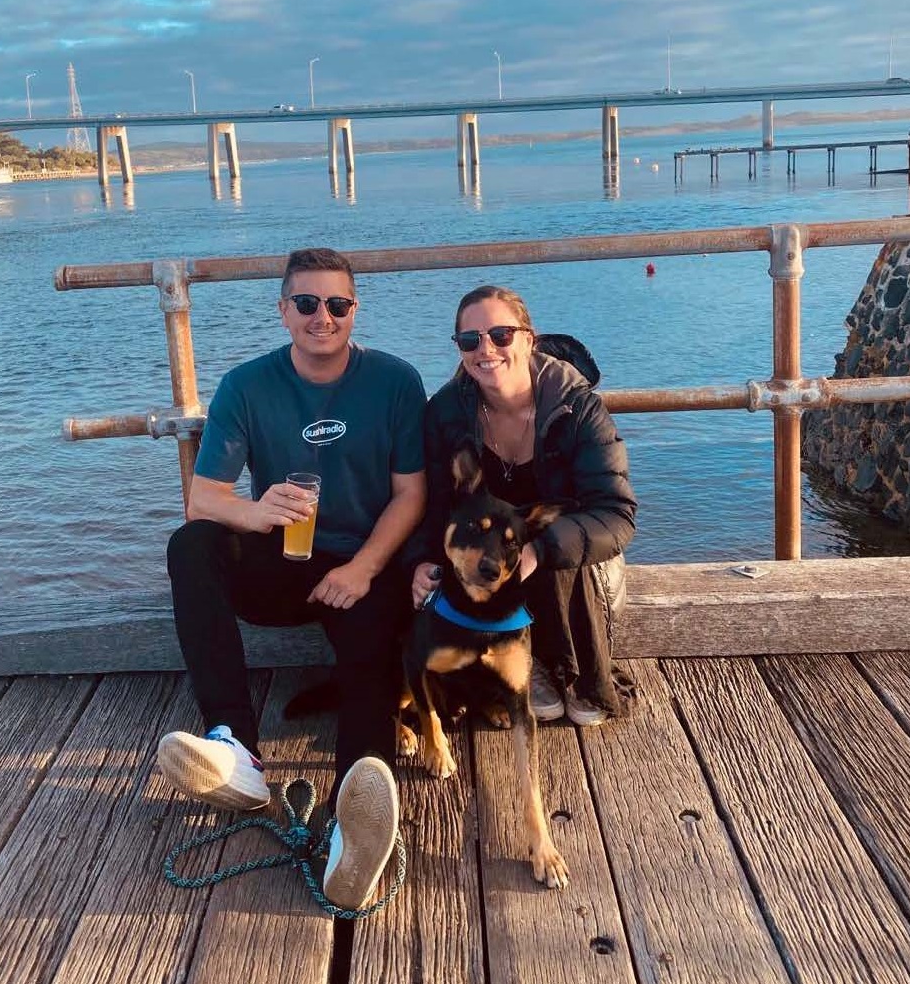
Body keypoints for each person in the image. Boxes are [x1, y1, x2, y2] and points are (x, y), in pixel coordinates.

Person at [158, 247, 427, 911]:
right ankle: (237, 748)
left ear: (353, 310)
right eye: (306, 303)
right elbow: (204, 497)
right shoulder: (248, 385)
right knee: (191, 545)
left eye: (336, 304)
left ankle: (353, 820)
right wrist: (254, 510)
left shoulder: (394, 381)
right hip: (281, 563)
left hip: (361, 565)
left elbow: (411, 492)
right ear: (283, 311)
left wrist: (364, 568)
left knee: (369, 660)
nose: (322, 317)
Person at [411, 285, 636, 725]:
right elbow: (432, 503)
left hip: (580, 570)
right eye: (470, 340)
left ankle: (570, 670)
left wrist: (537, 551)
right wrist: (418, 562)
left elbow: (616, 513)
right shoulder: (447, 413)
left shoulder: (577, 409)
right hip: (492, 562)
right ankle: (519, 668)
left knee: (550, 546)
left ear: (529, 339)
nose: (486, 349)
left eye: (501, 334)